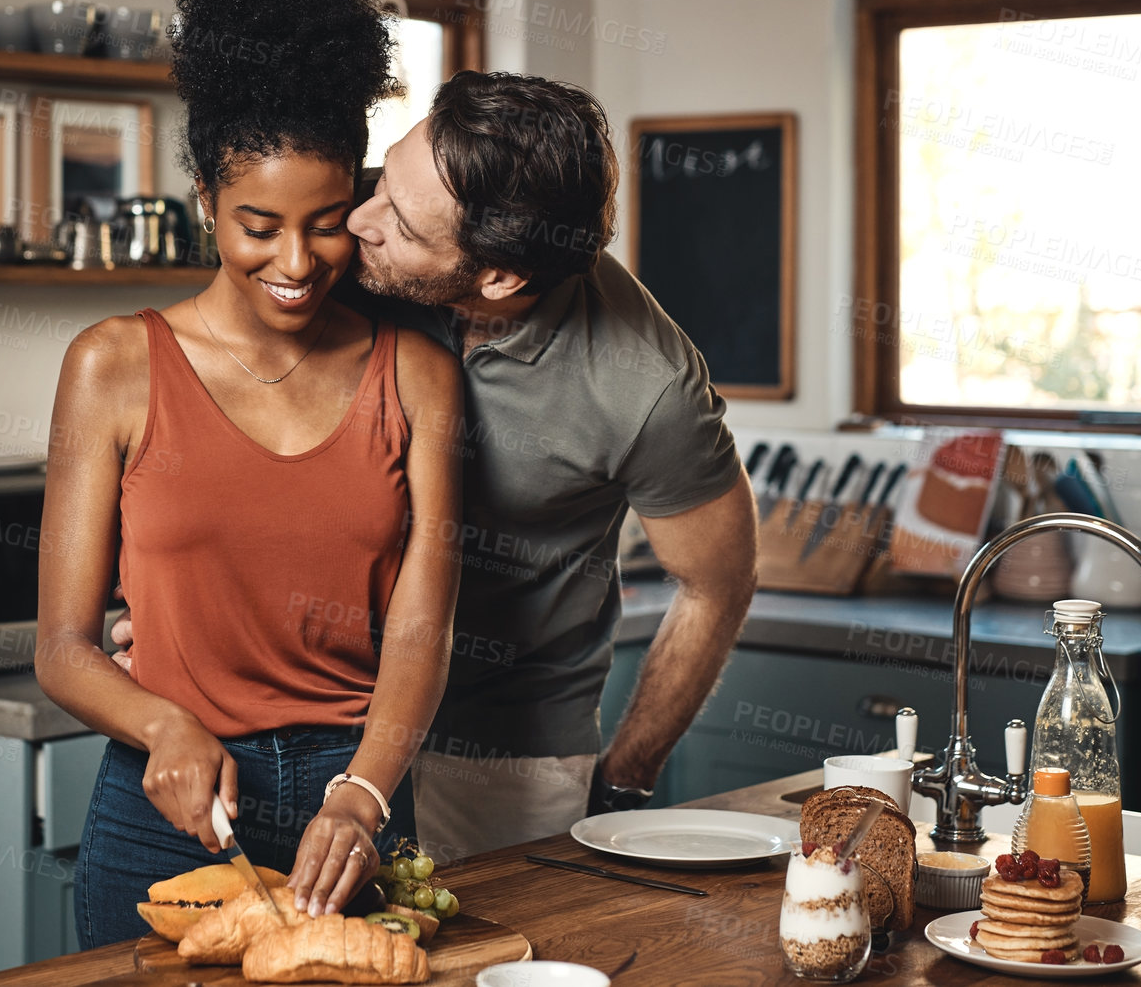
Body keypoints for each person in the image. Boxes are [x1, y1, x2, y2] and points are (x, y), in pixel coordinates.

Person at [120, 70, 759, 863]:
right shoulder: (337, 232)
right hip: (312, 725)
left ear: (497, 276)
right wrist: (161, 605)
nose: (358, 219)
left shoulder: (645, 386)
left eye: (401, 222)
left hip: (501, 752)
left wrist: (623, 783)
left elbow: (716, 581)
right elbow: (221, 415)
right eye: (382, 180)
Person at [35, 0, 462, 950]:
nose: (297, 263)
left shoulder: (416, 376)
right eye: (258, 227)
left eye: (325, 226)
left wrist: (361, 794)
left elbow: (422, 631)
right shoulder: (113, 367)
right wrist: (161, 724)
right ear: (202, 198)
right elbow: (60, 646)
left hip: (351, 806)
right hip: (162, 804)